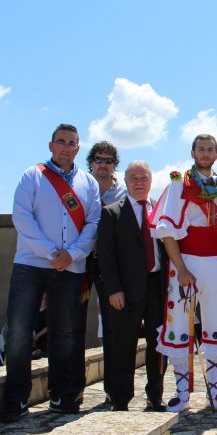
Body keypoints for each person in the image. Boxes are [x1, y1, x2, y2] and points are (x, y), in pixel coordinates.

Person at [2, 124, 101, 422]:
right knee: (20, 332)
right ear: (51, 145)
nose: (66, 147)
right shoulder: (32, 175)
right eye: (61, 141)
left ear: (78, 149)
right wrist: (49, 252)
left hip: (70, 266)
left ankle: (62, 396)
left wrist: (71, 254)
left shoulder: (88, 182)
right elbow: (21, 215)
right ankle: (16, 399)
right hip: (31, 264)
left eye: (72, 143)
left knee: (66, 334)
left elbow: (93, 224)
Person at [151, 134, 217, 412]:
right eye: (201, 149)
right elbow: (167, 233)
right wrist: (181, 268)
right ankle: (182, 392)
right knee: (179, 325)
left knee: (216, 321)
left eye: (211, 149)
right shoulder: (179, 184)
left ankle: (214, 387)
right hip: (186, 262)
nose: (206, 153)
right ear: (193, 152)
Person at [97, 161, 168, 412]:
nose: (139, 182)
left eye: (144, 178)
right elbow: (105, 256)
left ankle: (155, 397)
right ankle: (120, 399)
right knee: (123, 345)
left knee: (159, 345)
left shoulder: (161, 211)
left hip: (157, 287)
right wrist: (113, 289)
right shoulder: (111, 213)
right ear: (125, 182)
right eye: (134, 178)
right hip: (125, 291)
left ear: (151, 181)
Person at [85, 140, 127, 403]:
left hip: (108, 263)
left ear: (115, 165)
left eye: (109, 160)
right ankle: (68, 390)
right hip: (79, 259)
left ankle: (113, 388)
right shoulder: (78, 188)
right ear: (91, 162)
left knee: (112, 327)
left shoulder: (123, 192)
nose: (103, 164)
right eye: (98, 159)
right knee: (69, 324)